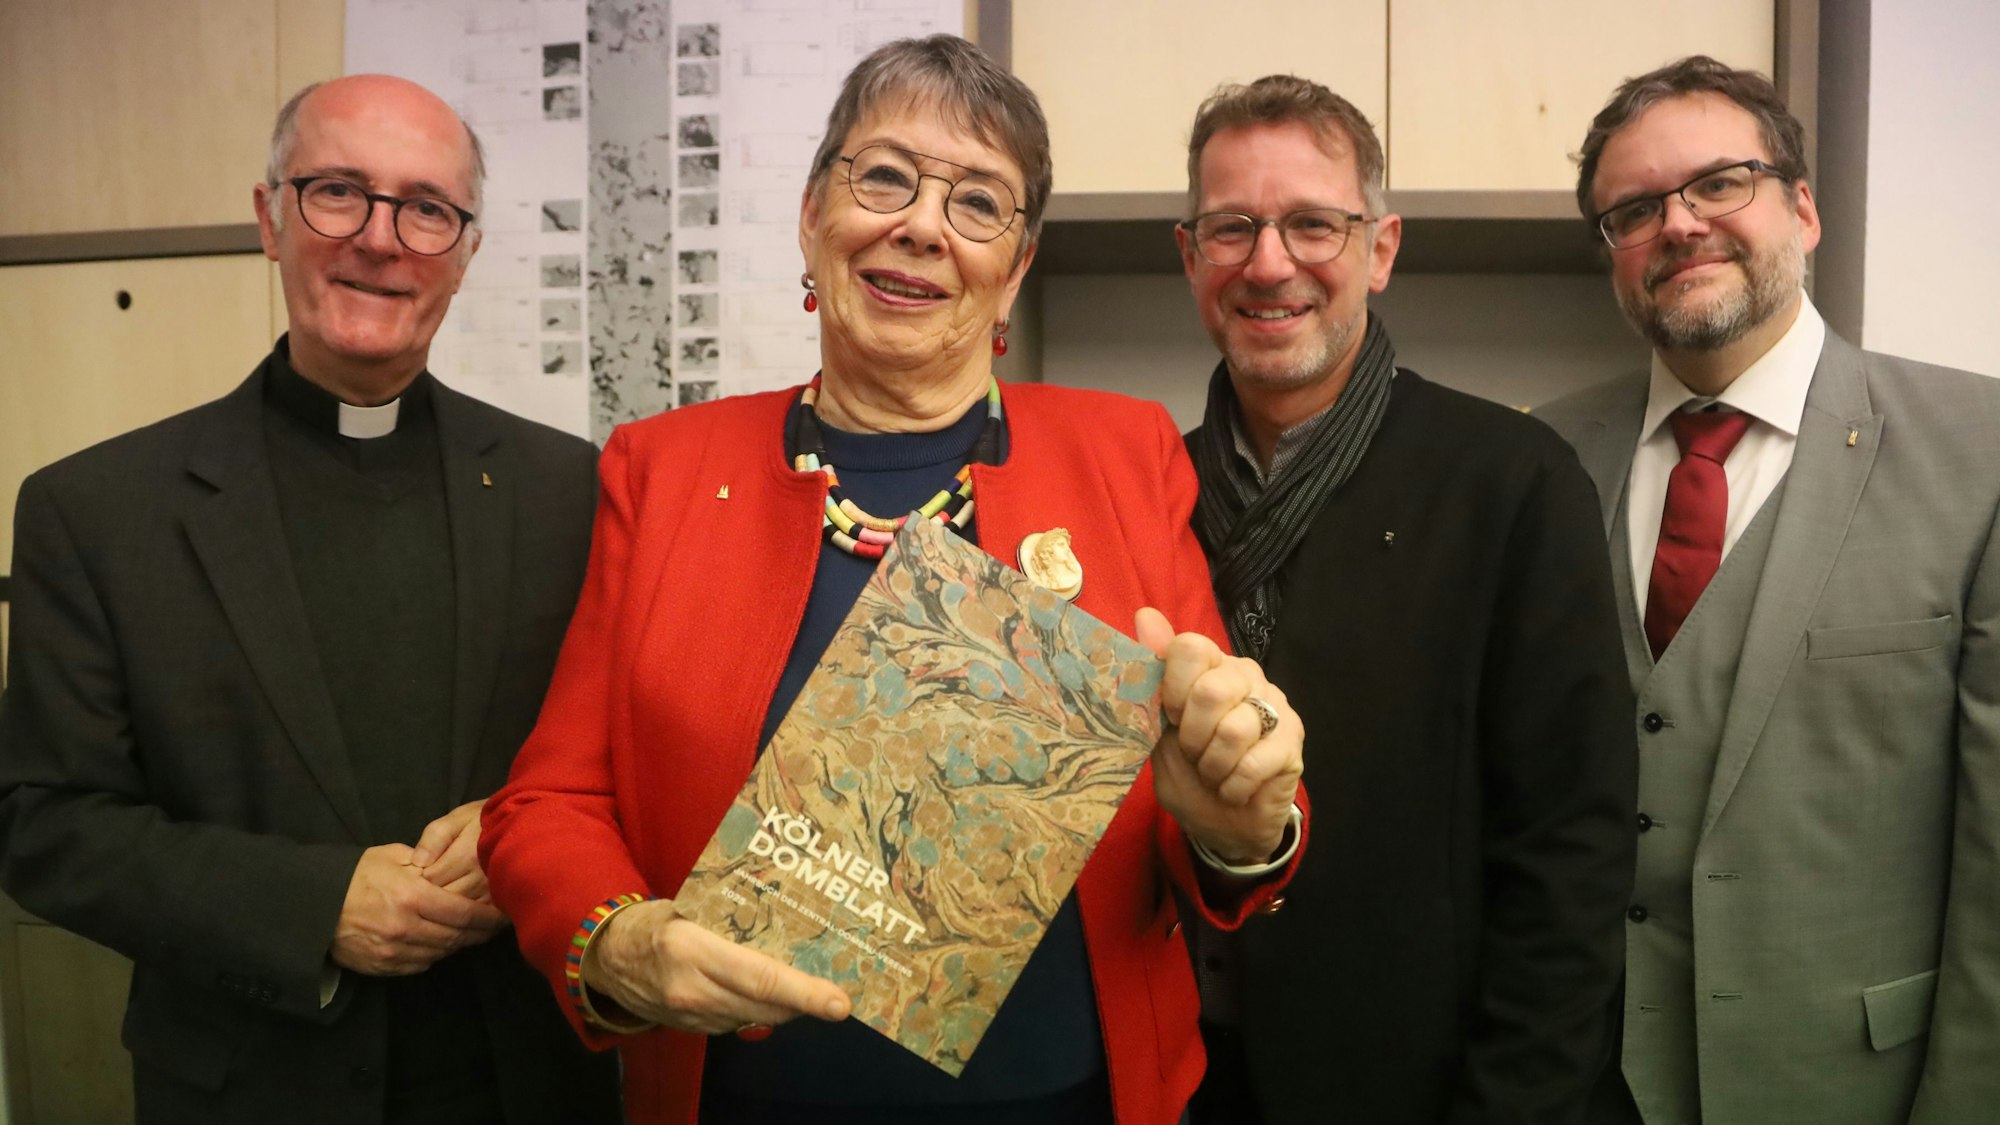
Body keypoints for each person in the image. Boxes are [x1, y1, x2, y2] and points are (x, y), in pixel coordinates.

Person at [479, 35, 1307, 1125]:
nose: (921, 224)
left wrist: (1235, 825)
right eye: (883, 177)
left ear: (1012, 269)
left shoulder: (1123, 452)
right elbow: (546, 806)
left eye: (977, 203)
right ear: (814, 215)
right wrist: (618, 940)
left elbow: (1215, 775)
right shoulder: (662, 468)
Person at [0, 76, 619, 1124]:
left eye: (426, 208)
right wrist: (310, 905)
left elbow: (632, 752)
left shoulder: (573, 490)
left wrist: (526, 828)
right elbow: (45, 829)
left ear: (464, 253)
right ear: (269, 217)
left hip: (524, 1080)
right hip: (249, 1085)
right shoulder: (95, 511)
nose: (380, 238)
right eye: (337, 191)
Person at [1535, 56, 2000, 1124]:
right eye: (1634, 210)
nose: (1679, 224)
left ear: (1800, 206)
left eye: (1716, 184)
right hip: (1579, 1085)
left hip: (1858, 1086)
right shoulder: (1544, 458)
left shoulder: (1980, 456)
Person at [1174, 75, 1637, 1123]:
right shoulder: (1147, 489)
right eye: (1230, 227)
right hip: (1188, 1086)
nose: (1267, 261)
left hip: (1436, 1087)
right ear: (1186, 255)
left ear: (1379, 250)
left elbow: (1570, 854)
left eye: (1310, 224)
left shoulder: (1511, 479)